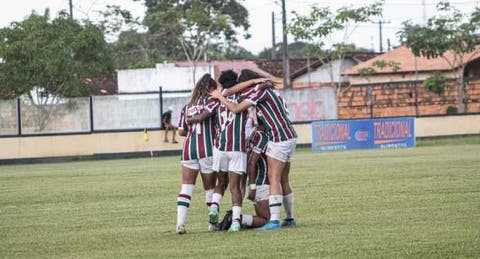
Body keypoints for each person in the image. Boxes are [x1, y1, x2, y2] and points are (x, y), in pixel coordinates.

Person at [209, 69, 297, 231]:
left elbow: (236, 109)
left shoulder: (258, 91)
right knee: (284, 180)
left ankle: (275, 221)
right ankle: (290, 218)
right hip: (290, 134)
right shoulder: (269, 89)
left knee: (274, 177)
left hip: (279, 137)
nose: (241, 91)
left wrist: (221, 97)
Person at [175, 74, 218, 234]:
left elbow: (181, 132)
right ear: (210, 88)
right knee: (210, 189)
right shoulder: (213, 101)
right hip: (207, 149)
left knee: (186, 187)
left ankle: (180, 224)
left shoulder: (187, 107)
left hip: (188, 150)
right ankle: (213, 224)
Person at [241, 122, 271, 228]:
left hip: (258, 182)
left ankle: (238, 219)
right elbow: (251, 162)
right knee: (267, 220)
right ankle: (237, 219)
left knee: (262, 217)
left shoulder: (255, 134)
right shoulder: (262, 137)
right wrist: (252, 187)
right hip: (261, 183)